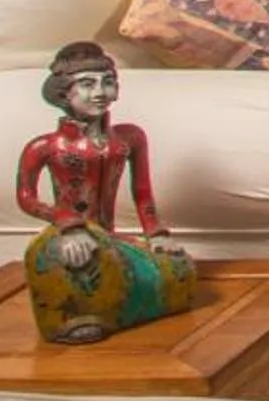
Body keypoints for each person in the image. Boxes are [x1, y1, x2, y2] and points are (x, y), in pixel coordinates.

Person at [17, 40, 199, 343]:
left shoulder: (130, 138)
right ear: (64, 93)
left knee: (181, 271)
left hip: (111, 238)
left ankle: (111, 310)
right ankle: (81, 317)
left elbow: (142, 191)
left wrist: (156, 234)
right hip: (68, 236)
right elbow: (26, 198)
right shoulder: (44, 147)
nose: (100, 93)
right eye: (87, 85)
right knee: (77, 271)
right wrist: (67, 224)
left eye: (108, 83)